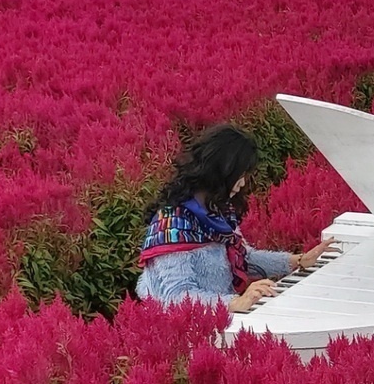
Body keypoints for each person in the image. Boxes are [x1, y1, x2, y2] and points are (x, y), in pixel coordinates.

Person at [137, 123, 337, 313]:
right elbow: (177, 296)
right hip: (184, 333)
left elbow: (244, 258)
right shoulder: (172, 225)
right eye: (240, 175)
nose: (242, 184)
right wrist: (233, 302)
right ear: (221, 172)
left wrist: (298, 261)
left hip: (217, 320)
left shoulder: (217, 210)